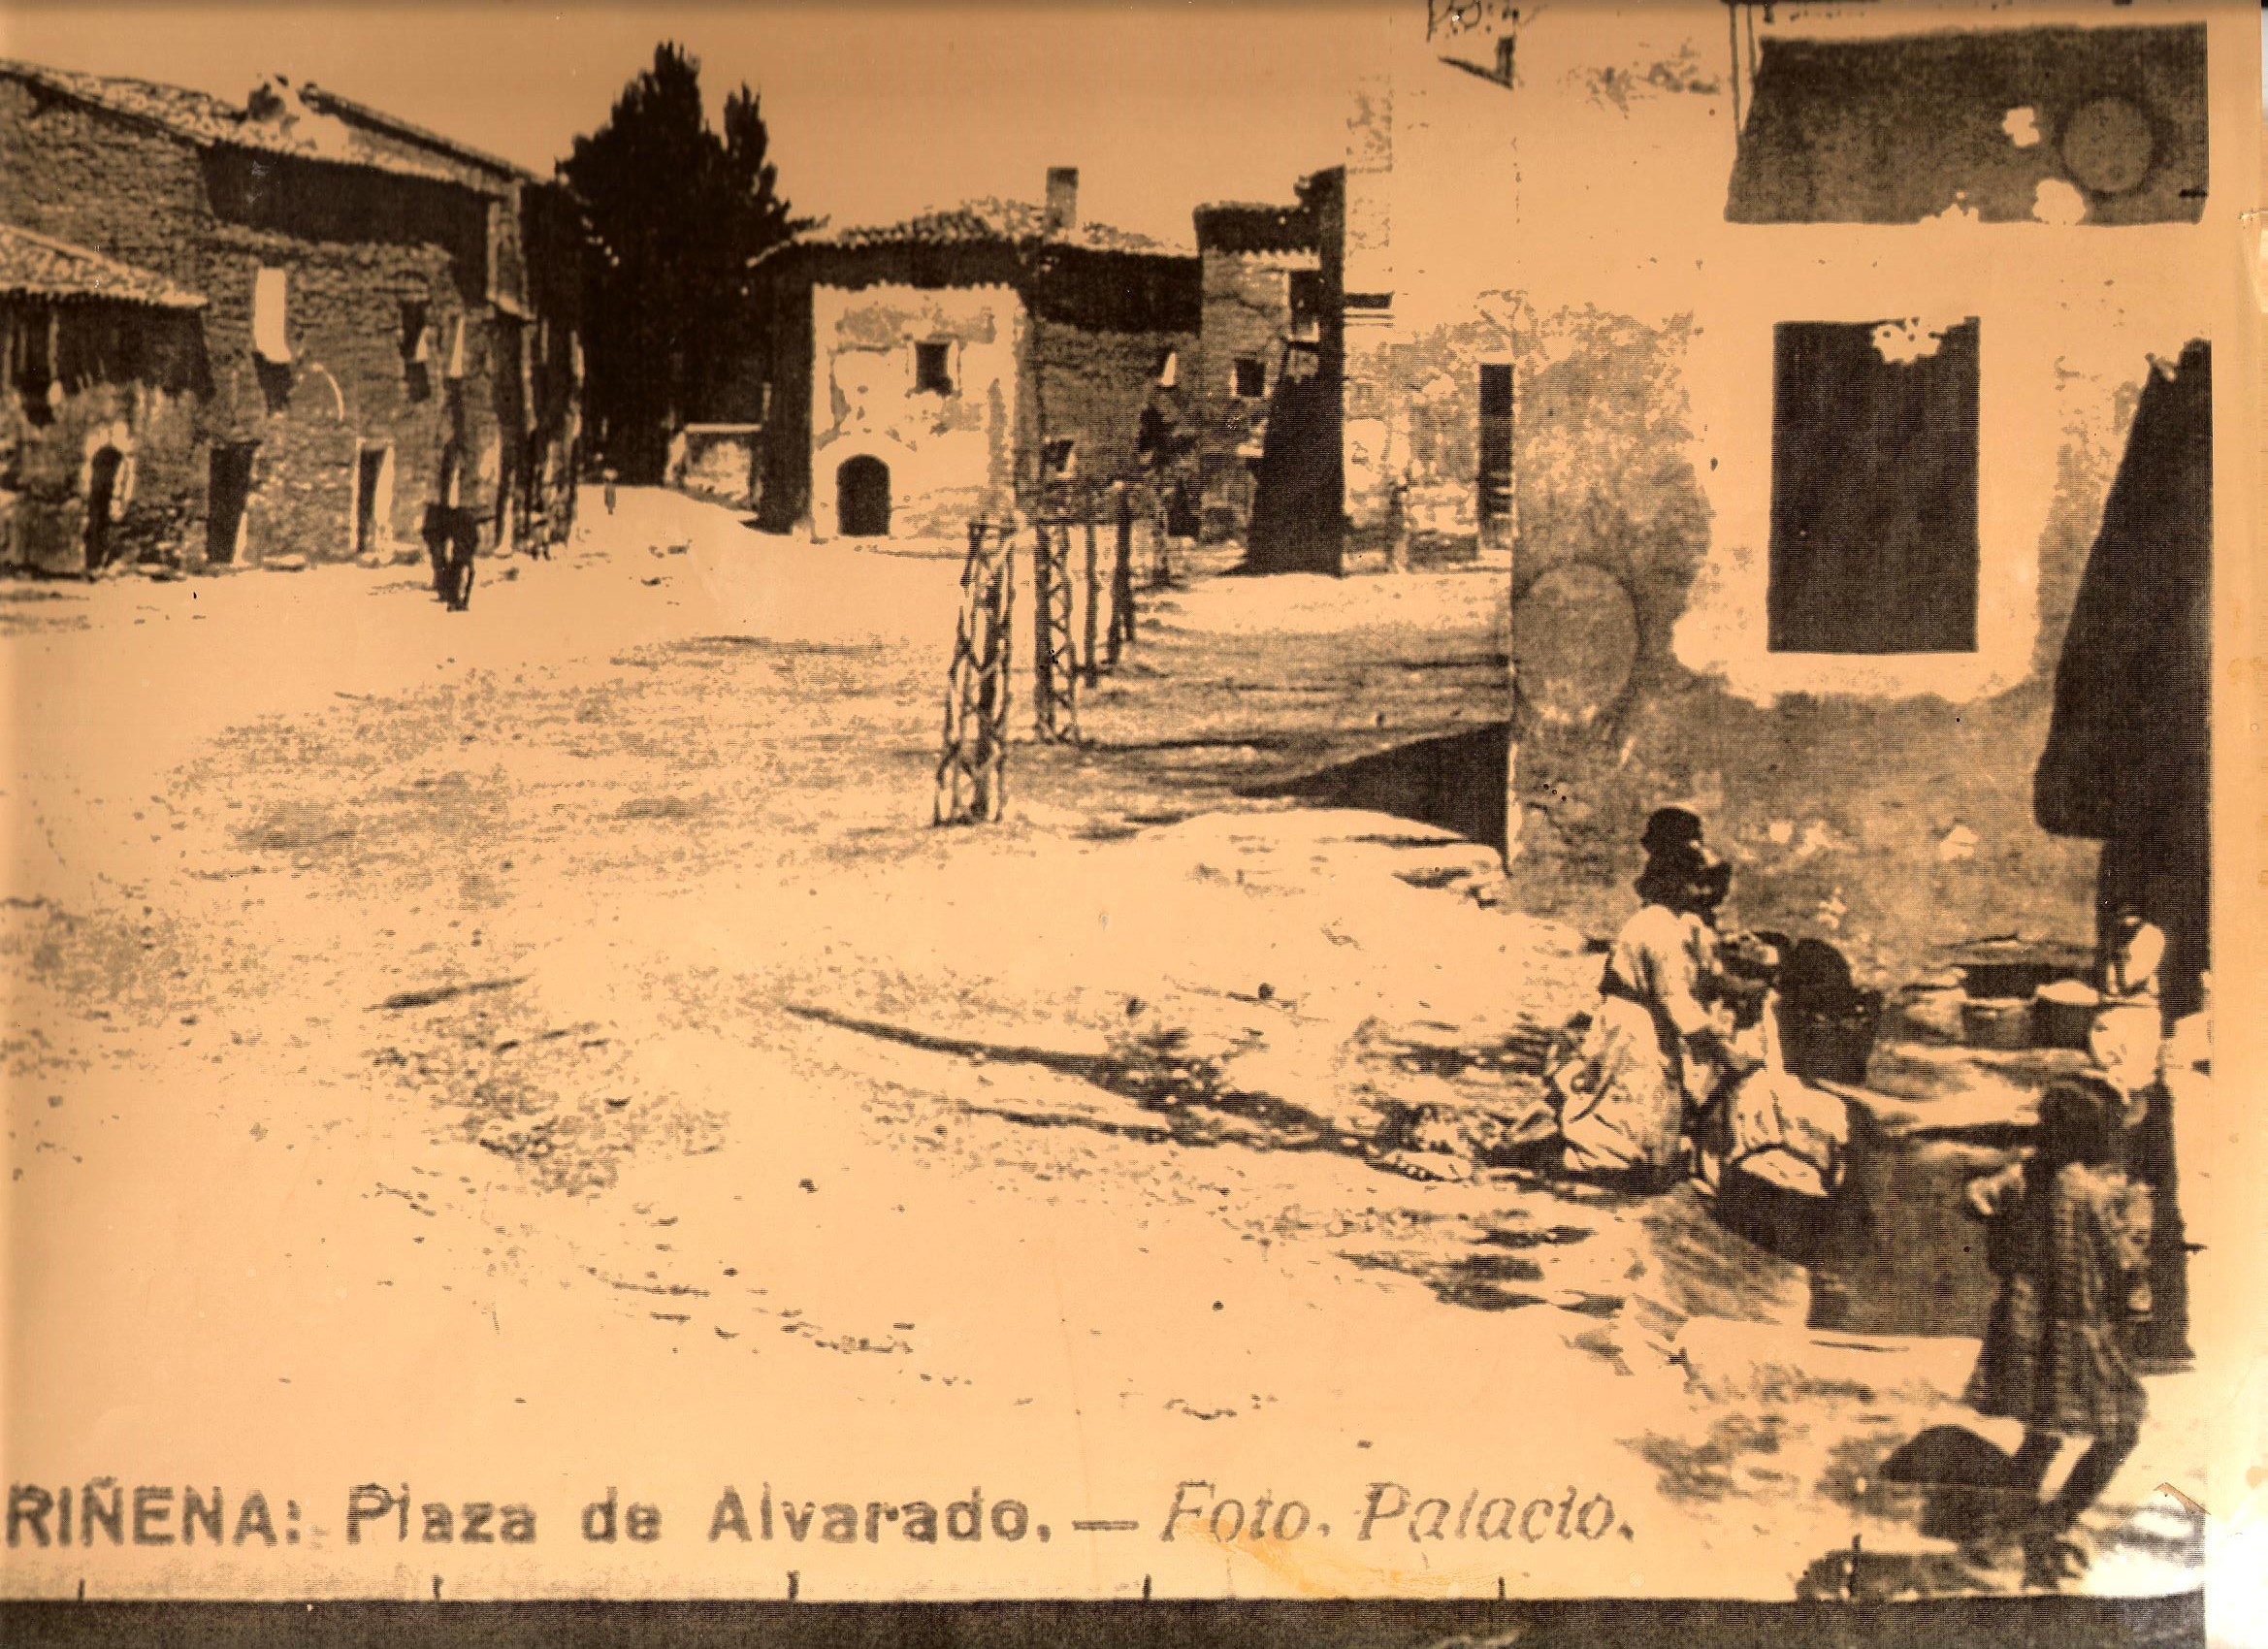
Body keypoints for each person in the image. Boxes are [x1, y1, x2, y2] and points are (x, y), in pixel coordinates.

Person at [1960, 1076, 2152, 1585]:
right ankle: (2042, 1527)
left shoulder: (2032, 1174)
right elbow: (2126, 1268)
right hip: (2077, 1332)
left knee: (2044, 1437)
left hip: (2034, 1328)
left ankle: (2010, 1536)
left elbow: (1976, 1196)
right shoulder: (2092, 1191)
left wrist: (1991, 1209)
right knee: (2118, 1431)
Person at [1552, 817, 1753, 1191]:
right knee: (1624, 1097)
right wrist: (1723, 1052)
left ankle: (1624, 1163)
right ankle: (1595, 1167)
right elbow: (1677, 1002)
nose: (1702, 893)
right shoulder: (1656, 927)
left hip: (1647, 1021)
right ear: (1673, 883)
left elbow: (1697, 979)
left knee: (1647, 1101)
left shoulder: (1676, 923)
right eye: (1694, 883)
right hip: (1633, 1026)